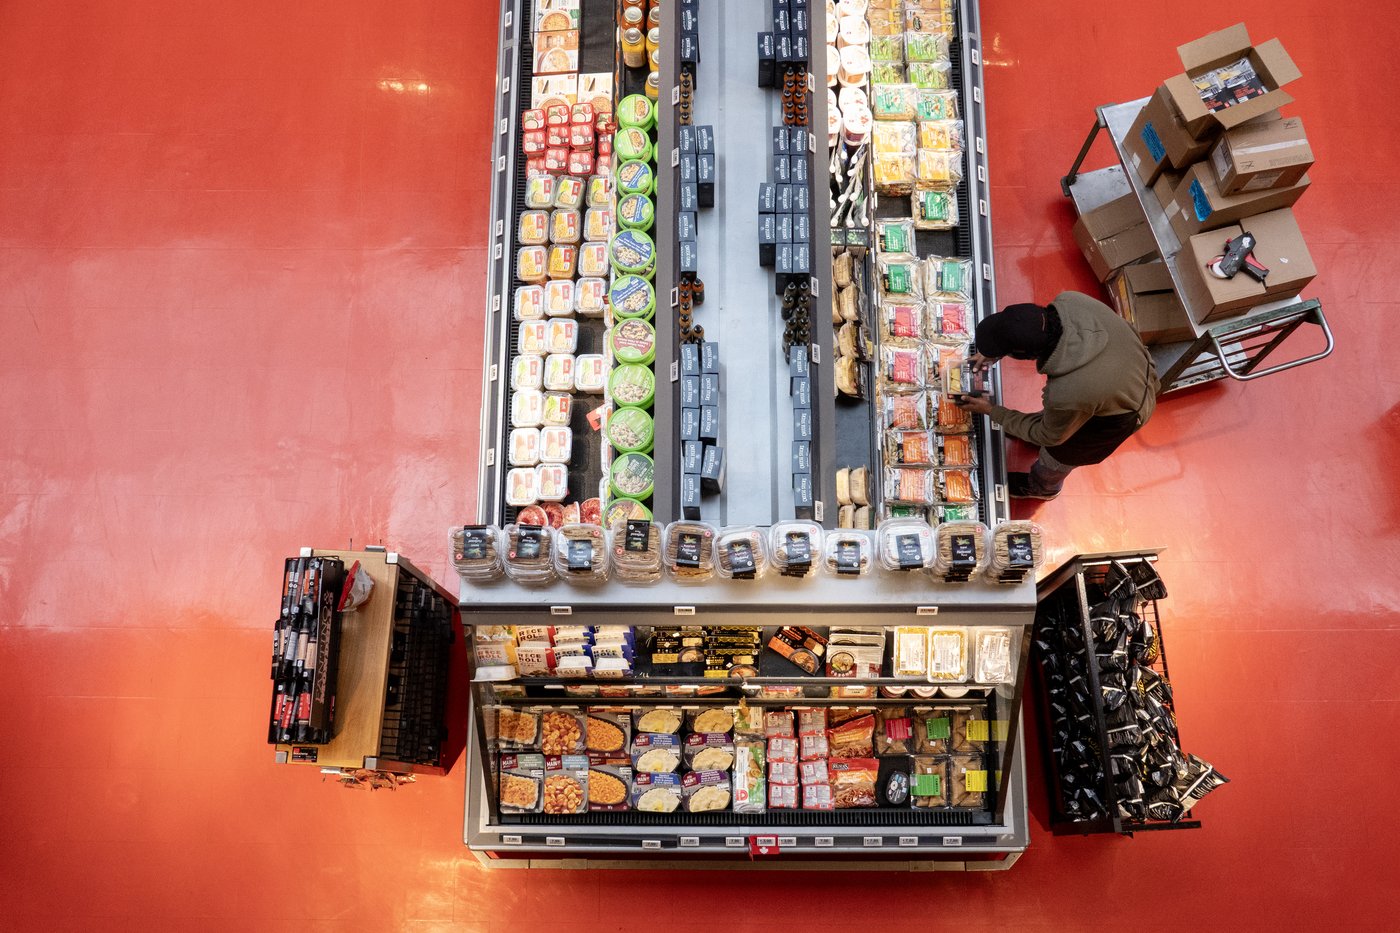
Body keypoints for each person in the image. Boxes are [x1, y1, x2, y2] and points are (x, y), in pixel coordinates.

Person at [954, 293, 1159, 499]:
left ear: (1027, 355)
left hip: (1124, 413)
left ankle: (1042, 487)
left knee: (1057, 456)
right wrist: (994, 351)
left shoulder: (1069, 392)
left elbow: (1049, 436)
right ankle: (1034, 430)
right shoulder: (1070, 301)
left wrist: (991, 410)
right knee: (1058, 418)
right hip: (1123, 364)